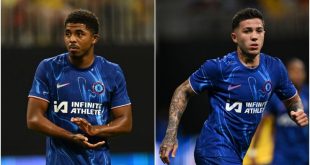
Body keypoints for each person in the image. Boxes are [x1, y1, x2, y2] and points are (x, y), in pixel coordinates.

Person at [159, 8, 308, 165]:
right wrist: (170, 134)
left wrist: (296, 111)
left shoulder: (274, 68)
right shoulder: (219, 67)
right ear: (235, 37)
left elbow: (293, 100)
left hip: (238, 153)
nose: (254, 37)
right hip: (213, 148)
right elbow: (182, 90)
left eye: (259, 31)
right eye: (247, 31)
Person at [27, 9, 132, 165]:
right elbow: (33, 119)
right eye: (68, 33)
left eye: (79, 34)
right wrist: (70, 136)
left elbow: (126, 122)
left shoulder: (112, 71)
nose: (72, 39)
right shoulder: (49, 68)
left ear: (94, 39)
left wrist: (95, 130)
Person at [245, 58, 309, 165]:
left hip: (305, 152)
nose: (297, 74)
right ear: (287, 73)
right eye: (294, 71)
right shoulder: (277, 96)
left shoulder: (308, 94)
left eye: (300, 71)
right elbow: (261, 122)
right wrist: (253, 150)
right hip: (282, 154)